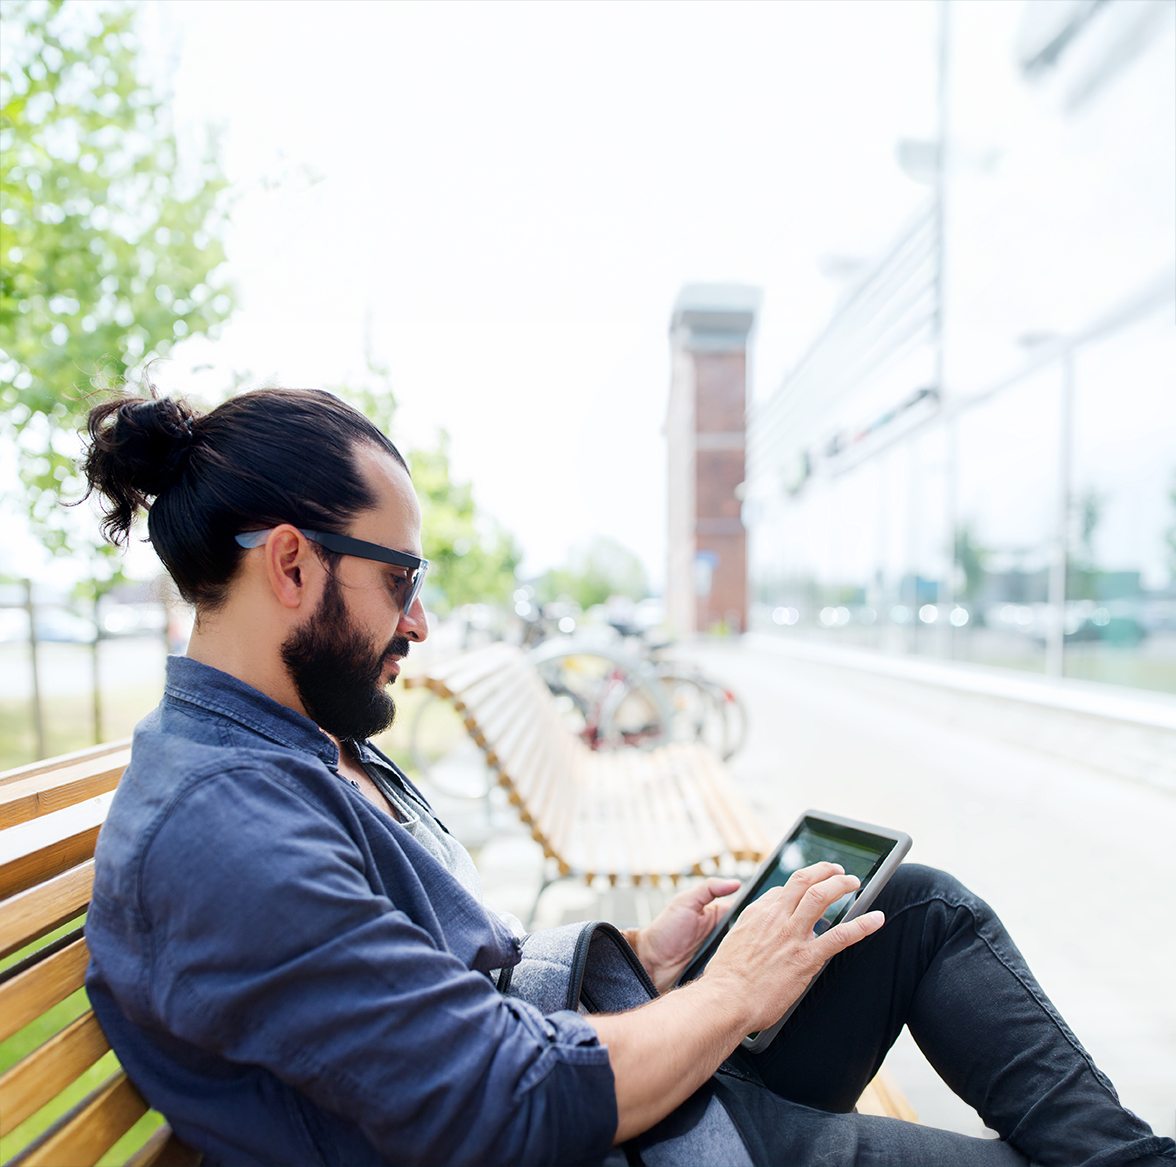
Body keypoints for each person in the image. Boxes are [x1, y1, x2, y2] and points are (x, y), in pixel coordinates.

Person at [80, 386, 1173, 1167]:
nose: (417, 619)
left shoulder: (297, 751)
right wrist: (734, 989)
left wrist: (644, 965)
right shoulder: (225, 830)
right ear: (289, 562)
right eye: (401, 577)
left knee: (906, 911)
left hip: (607, 1101)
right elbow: (495, 1106)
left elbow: (456, 1002)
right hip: (596, 1136)